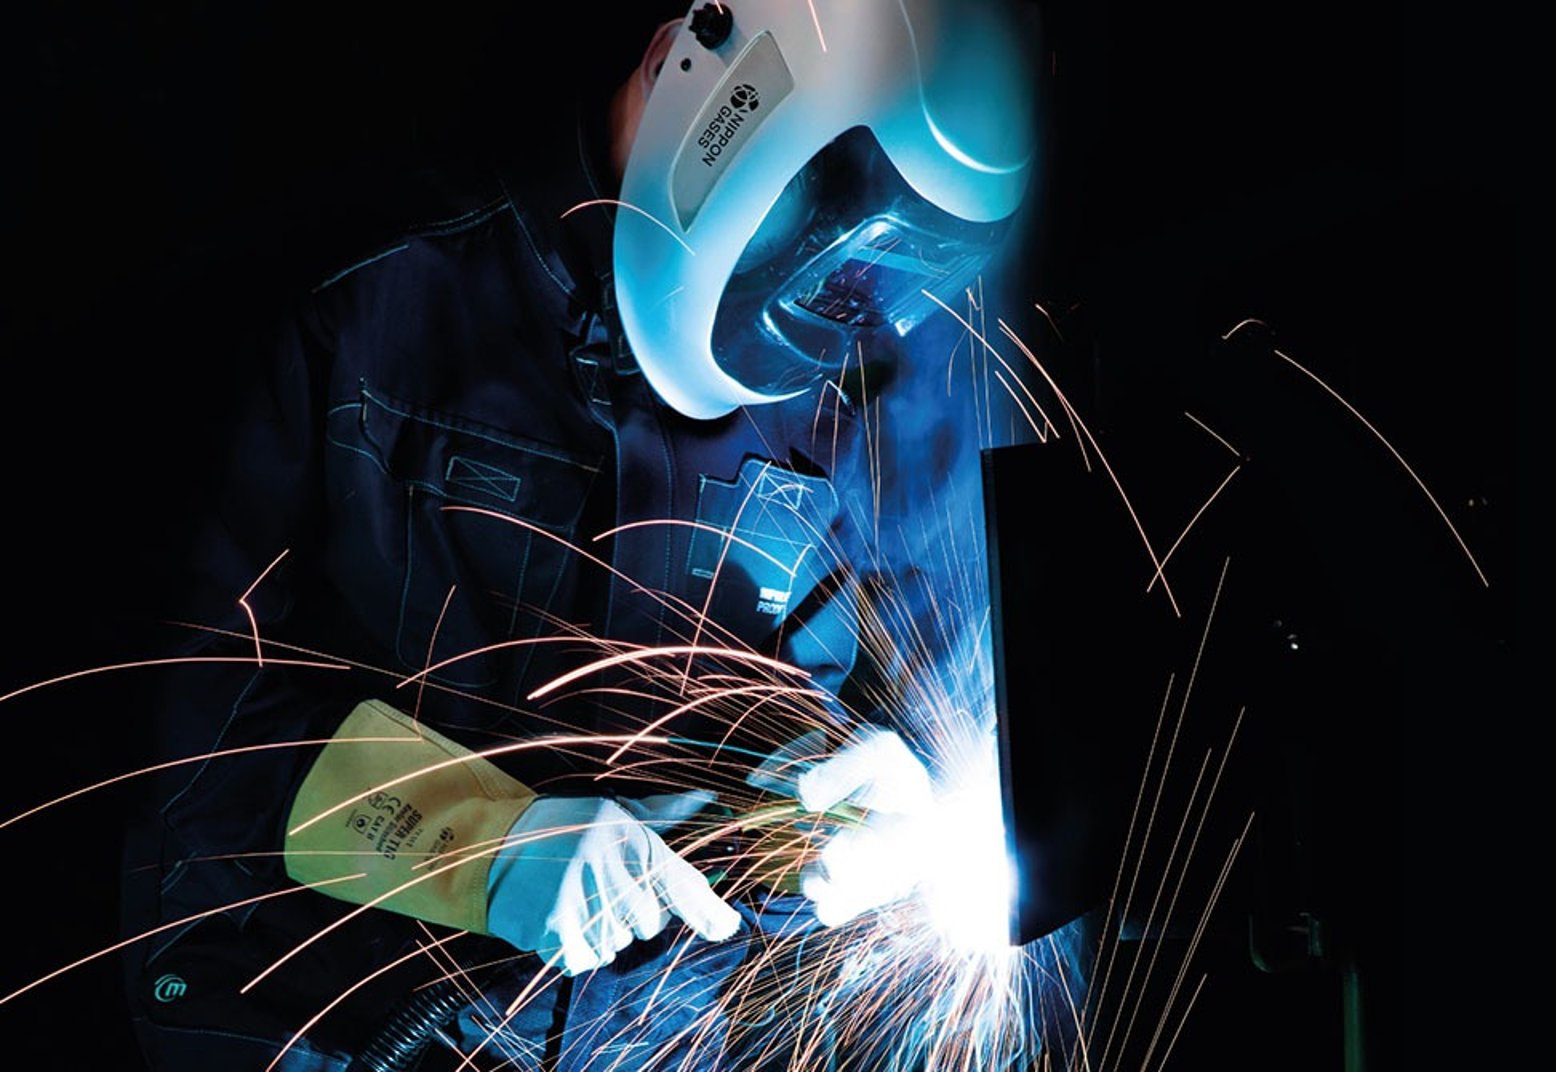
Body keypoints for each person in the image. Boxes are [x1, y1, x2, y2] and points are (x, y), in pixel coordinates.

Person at [118, 2, 1042, 1069]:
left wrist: (898, 800)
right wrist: (476, 841)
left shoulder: (867, 393)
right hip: (332, 1027)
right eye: (826, 228)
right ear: (684, 67)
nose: (840, 308)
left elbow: (931, 677)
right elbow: (187, 722)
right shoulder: (366, 298)